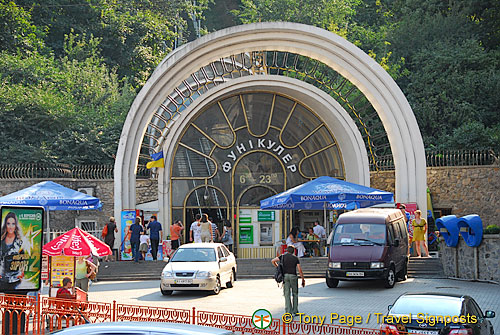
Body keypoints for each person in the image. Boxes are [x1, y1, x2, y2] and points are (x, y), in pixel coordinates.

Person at [271, 245, 305, 316]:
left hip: (285, 276)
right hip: (293, 276)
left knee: (287, 294)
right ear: (293, 251)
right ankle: (295, 311)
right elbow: (299, 270)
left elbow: (273, 261)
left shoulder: (282, 256)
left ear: (287, 250)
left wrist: (278, 267)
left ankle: (288, 312)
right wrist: (302, 279)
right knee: (295, 294)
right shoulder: (295, 258)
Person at [0, 212, 24, 291]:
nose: (10, 227)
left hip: (15, 280)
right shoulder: (1, 240)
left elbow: (23, 259)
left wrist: (22, 273)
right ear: (5, 225)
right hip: (2, 279)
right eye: (8, 223)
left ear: (16, 225)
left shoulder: (19, 242)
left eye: (13, 224)